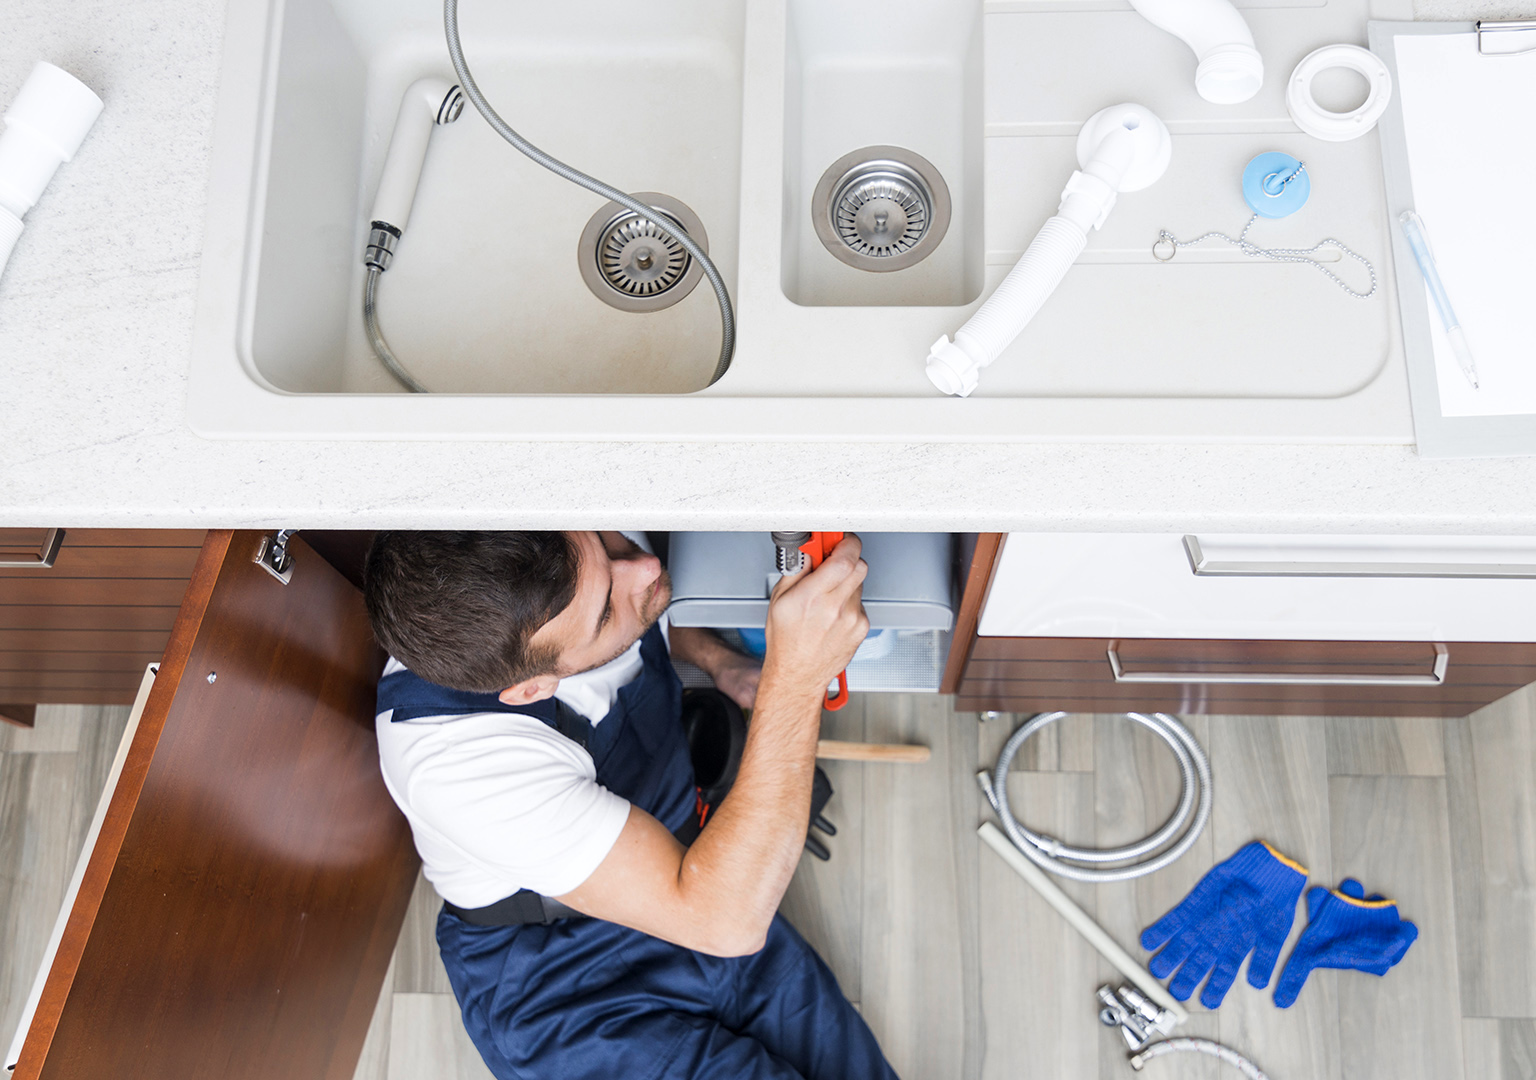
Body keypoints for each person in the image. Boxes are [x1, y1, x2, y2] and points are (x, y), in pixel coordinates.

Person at [363, 530, 898, 1080]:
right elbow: (728, 923)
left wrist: (718, 661)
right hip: (566, 990)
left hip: (692, 871)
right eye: (602, 613)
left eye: (607, 543)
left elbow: (641, 614)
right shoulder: (458, 766)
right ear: (533, 688)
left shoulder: (572, 547)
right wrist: (798, 678)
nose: (644, 567)